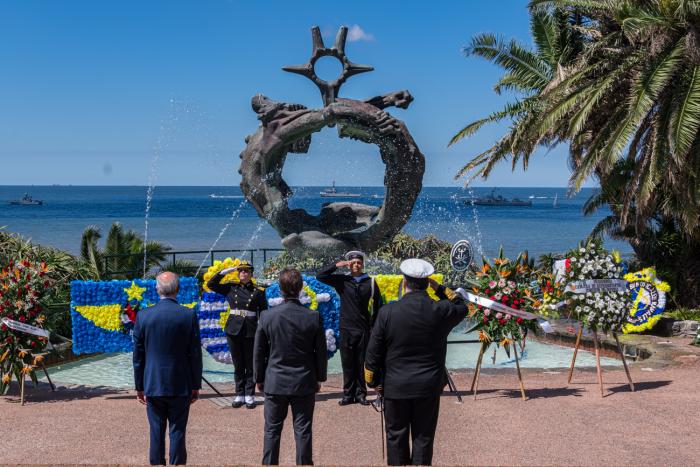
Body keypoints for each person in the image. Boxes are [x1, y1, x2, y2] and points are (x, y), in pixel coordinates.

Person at [364, 259, 467, 466]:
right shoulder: (440, 310)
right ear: (428, 282)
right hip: (428, 386)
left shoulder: (387, 313)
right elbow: (461, 305)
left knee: (396, 437)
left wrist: (373, 381)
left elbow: (373, 354)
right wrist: (440, 289)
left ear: (404, 282)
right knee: (423, 438)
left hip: (395, 386)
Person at [253, 267, 328, 466]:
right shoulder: (313, 316)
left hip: (275, 380)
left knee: (272, 429)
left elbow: (259, 352)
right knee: (303, 429)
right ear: (301, 287)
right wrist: (320, 378)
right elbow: (320, 352)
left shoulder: (267, 316)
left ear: (280, 289)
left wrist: (258, 378)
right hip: (303, 380)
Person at [133, 272, 203, 466]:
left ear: (157, 289)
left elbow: (138, 357)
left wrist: (139, 385)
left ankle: (157, 463)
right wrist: (196, 384)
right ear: (178, 289)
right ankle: (177, 463)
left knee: (156, 430)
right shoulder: (188, 315)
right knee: (178, 429)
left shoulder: (144, 315)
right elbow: (195, 354)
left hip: (153, 382)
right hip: (180, 382)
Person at [316, 250, 383, 406]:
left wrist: (374, 326)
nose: (356, 265)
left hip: (363, 329)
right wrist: (336, 266)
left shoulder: (370, 282)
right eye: (353, 262)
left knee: (361, 362)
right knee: (347, 362)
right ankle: (348, 394)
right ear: (349, 264)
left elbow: (378, 307)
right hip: (346, 328)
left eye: (359, 262)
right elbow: (320, 276)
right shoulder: (343, 281)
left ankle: (361, 394)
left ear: (363, 264)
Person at [207, 260, 267, 409]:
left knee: (250, 364)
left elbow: (263, 313)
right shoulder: (231, 287)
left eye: (246, 271)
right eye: (241, 271)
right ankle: (239, 394)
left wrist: (263, 330)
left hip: (250, 329)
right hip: (234, 329)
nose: (243, 273)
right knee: (238, 363)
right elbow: (211, 284)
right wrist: (227, 270)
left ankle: (249, 395)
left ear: (251, 274)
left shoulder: (258, 291)